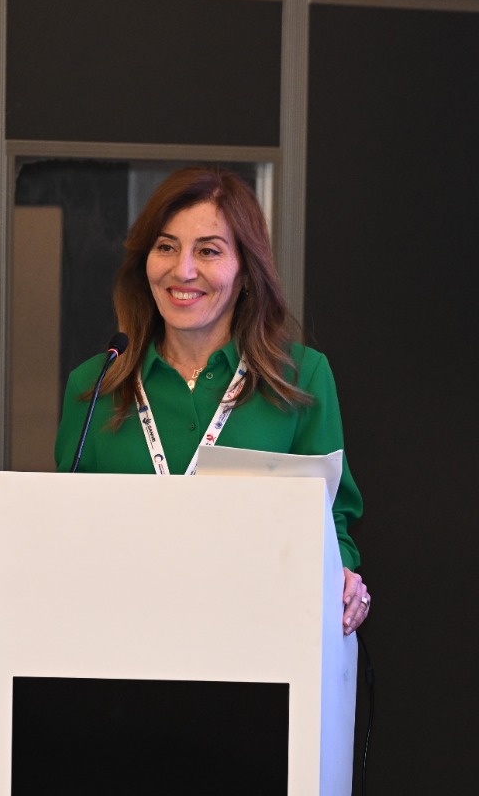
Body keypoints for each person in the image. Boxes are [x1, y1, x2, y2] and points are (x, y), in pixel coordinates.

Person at [54, 166, 371, 634]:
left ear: (246, 271)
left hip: (259, 640)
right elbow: (63, 530)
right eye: (166, 247)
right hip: (123, 640)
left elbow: (332, 519)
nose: (182, 270)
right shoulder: (94, 384)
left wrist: (341, 577)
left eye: (208, 251)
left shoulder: (301, 377)